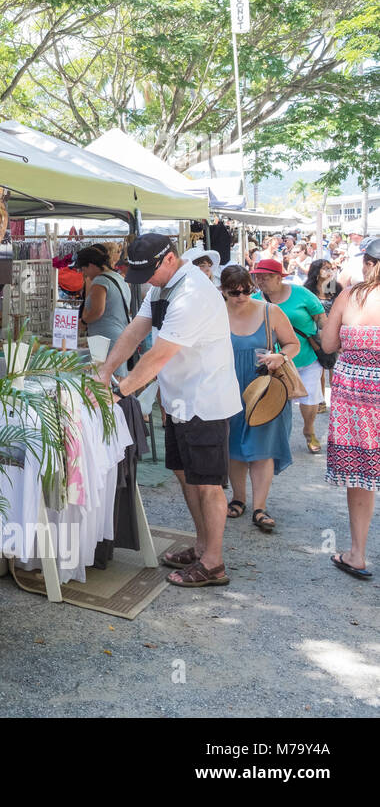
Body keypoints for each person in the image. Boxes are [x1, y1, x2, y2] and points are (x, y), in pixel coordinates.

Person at [95, 235, 242, 588]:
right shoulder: (161, 287)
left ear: (171, 260)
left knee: (208, 484)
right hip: (178, 400)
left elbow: (158, 355)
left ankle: (214, 563)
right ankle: (202, 545)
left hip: (204, 401)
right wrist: (104, 371)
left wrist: (119, 390)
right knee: (184, 474)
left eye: (149, 272)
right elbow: (133, 332)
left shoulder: (192, 294)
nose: (145, 280)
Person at [220, 265, 300, 531]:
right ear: (223, 291)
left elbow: (293, 343)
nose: (241, 296)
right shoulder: (216, 315)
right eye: (234, 292)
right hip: (228, 387)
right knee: (233, 447)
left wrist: (281, 356)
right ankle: (238, 498)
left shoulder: (269, 311)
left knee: (262, 449)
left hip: (265, 388)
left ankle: (259, 507)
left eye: (246, 290)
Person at [321, 236, 380, 580]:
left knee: (362, 476)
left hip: (355, 395)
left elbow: (329, 344)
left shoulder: (349, 296)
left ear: (369, 264)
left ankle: (357, 553)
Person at [251, 258, 327, 454]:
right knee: (279, 400)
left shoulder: (301, 294)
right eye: (258, 278)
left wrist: (330, 341)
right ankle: (279, 438)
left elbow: (321, 320)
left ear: (278, 278)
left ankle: (309, 431)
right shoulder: (256, 300)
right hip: (278, 362)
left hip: (307, 357)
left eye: (265, 278)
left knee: (309, 399)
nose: (260, 282)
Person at [76, 244, 131, 377]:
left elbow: (97, 311)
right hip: (120, 333)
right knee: (117, 378)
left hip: (106, 338)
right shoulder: (118, 277)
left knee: (108, 379)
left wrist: (83, 321)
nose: (84, 274)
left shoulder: (100, 281)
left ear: (92, 265)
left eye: (84, 269)